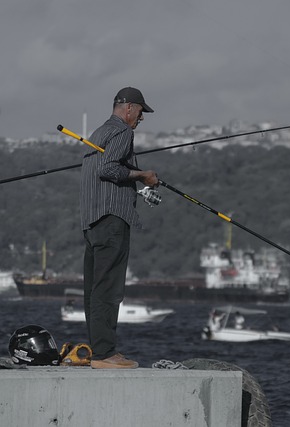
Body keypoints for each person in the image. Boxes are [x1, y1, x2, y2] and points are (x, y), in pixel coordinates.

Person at [80, 87, 159, 369]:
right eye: (140, 112)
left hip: (91, 221)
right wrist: (143, 175)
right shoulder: (123, 133)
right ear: (128, 108)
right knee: (109, 288)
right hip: (112, 219)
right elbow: (109, 169)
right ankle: (104, 354)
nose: (141, 118)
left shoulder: (99, 133)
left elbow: (100, 169)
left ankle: (99, 349)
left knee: (94, 288)